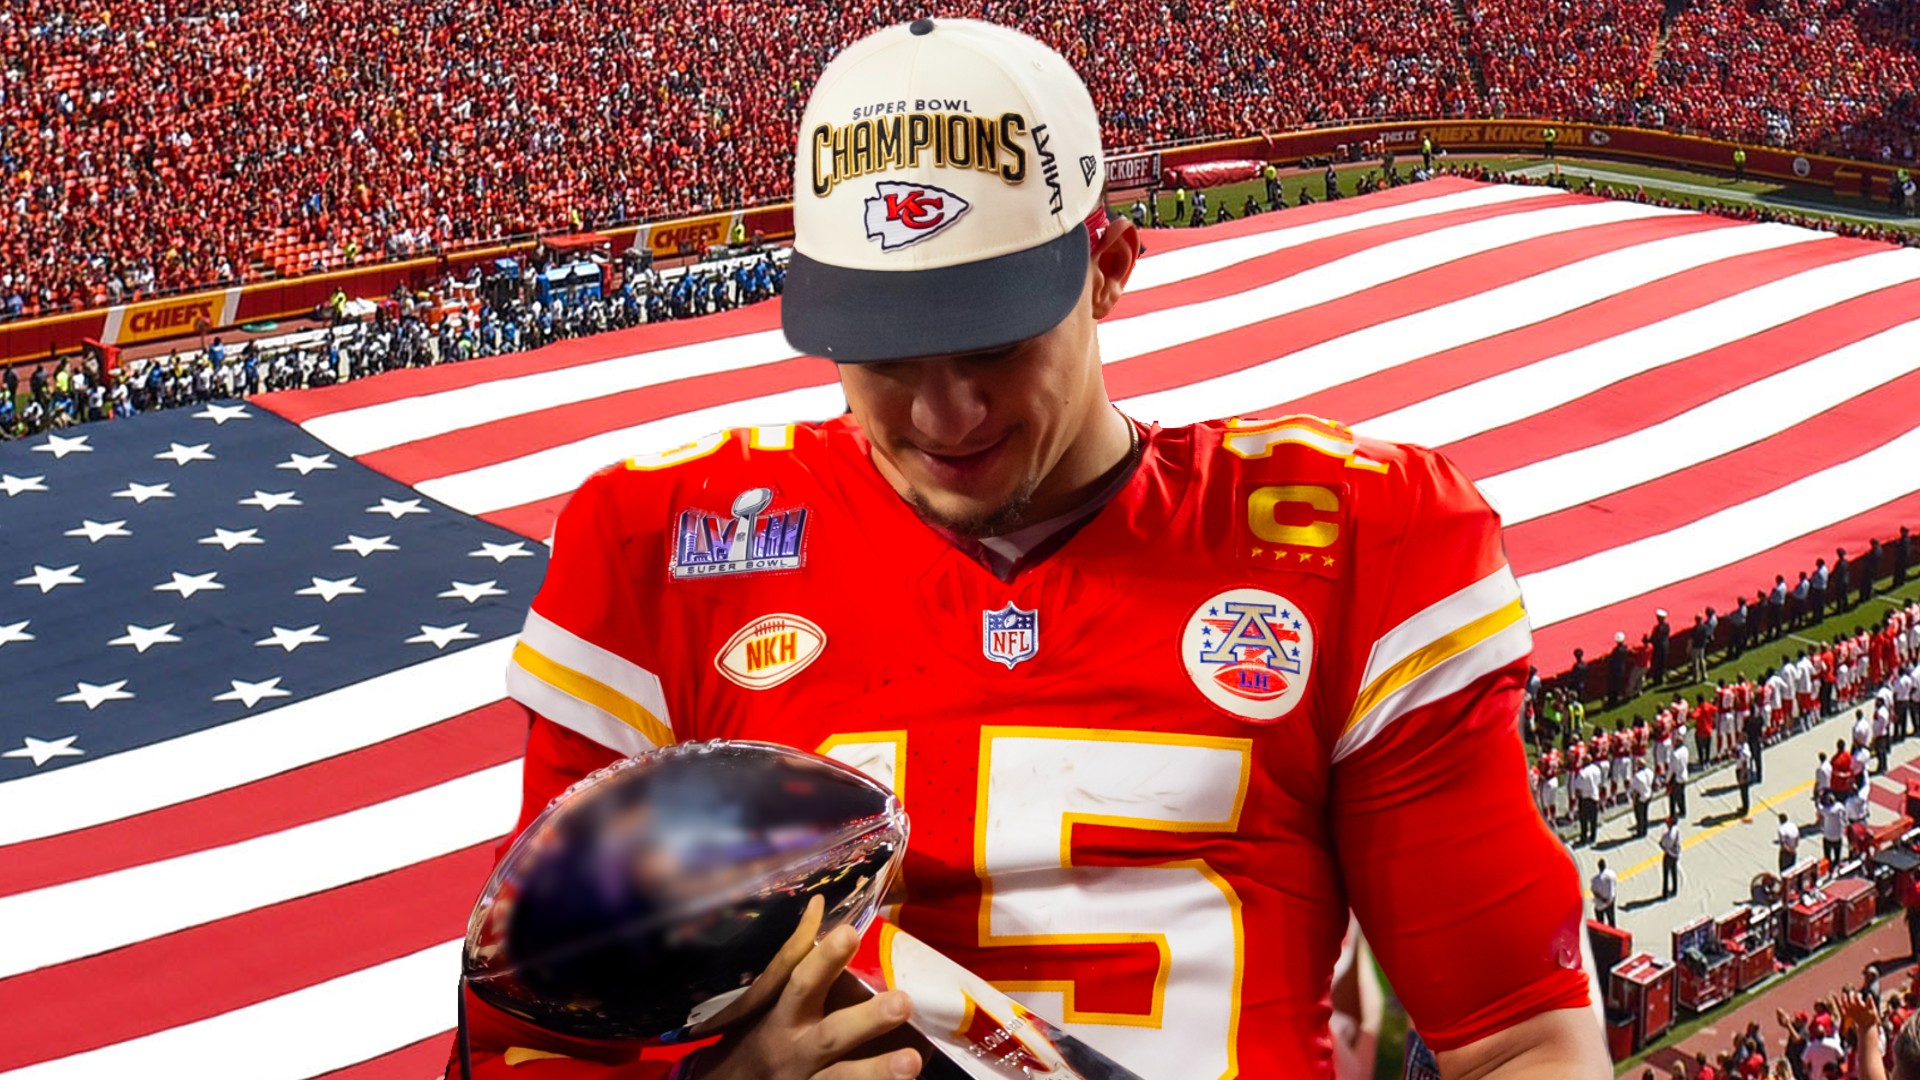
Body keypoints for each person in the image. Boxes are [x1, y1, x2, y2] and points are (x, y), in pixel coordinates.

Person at [450, 18, 1608, 1080]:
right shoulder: (662, 543)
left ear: (1109, 268)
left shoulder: (1357, 536)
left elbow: (1520, 1033)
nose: (947, 416)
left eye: (995, 343)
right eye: (890, 356)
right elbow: (530, 1033)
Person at [1632, 757, 1656, 837]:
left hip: (1640, 797)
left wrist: (1634, 801)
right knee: (1645, 814)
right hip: (1648, 795)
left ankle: (1640, 832)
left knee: (1639, 816)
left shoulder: (1637, 776)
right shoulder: (1650, 772)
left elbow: (1635, 790)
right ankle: (1645, 830)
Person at [1591, 859, 1618, 928]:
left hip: (1601, 902)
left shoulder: (1595, 880)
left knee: (1600, 921)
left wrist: (1602, 899)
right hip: (1610, 900)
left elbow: (1594, 891)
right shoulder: (1612, 874)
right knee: (1611, 920)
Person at [1661, 815, 1683, 899]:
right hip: (1675, 854)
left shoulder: (1668, 835)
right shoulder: (1676, 830)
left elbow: (1664, 845)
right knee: (1674, 871)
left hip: (1669, 854)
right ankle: (1674, 890)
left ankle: (1665, 893)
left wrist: (1662, 844)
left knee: (1666, 873)